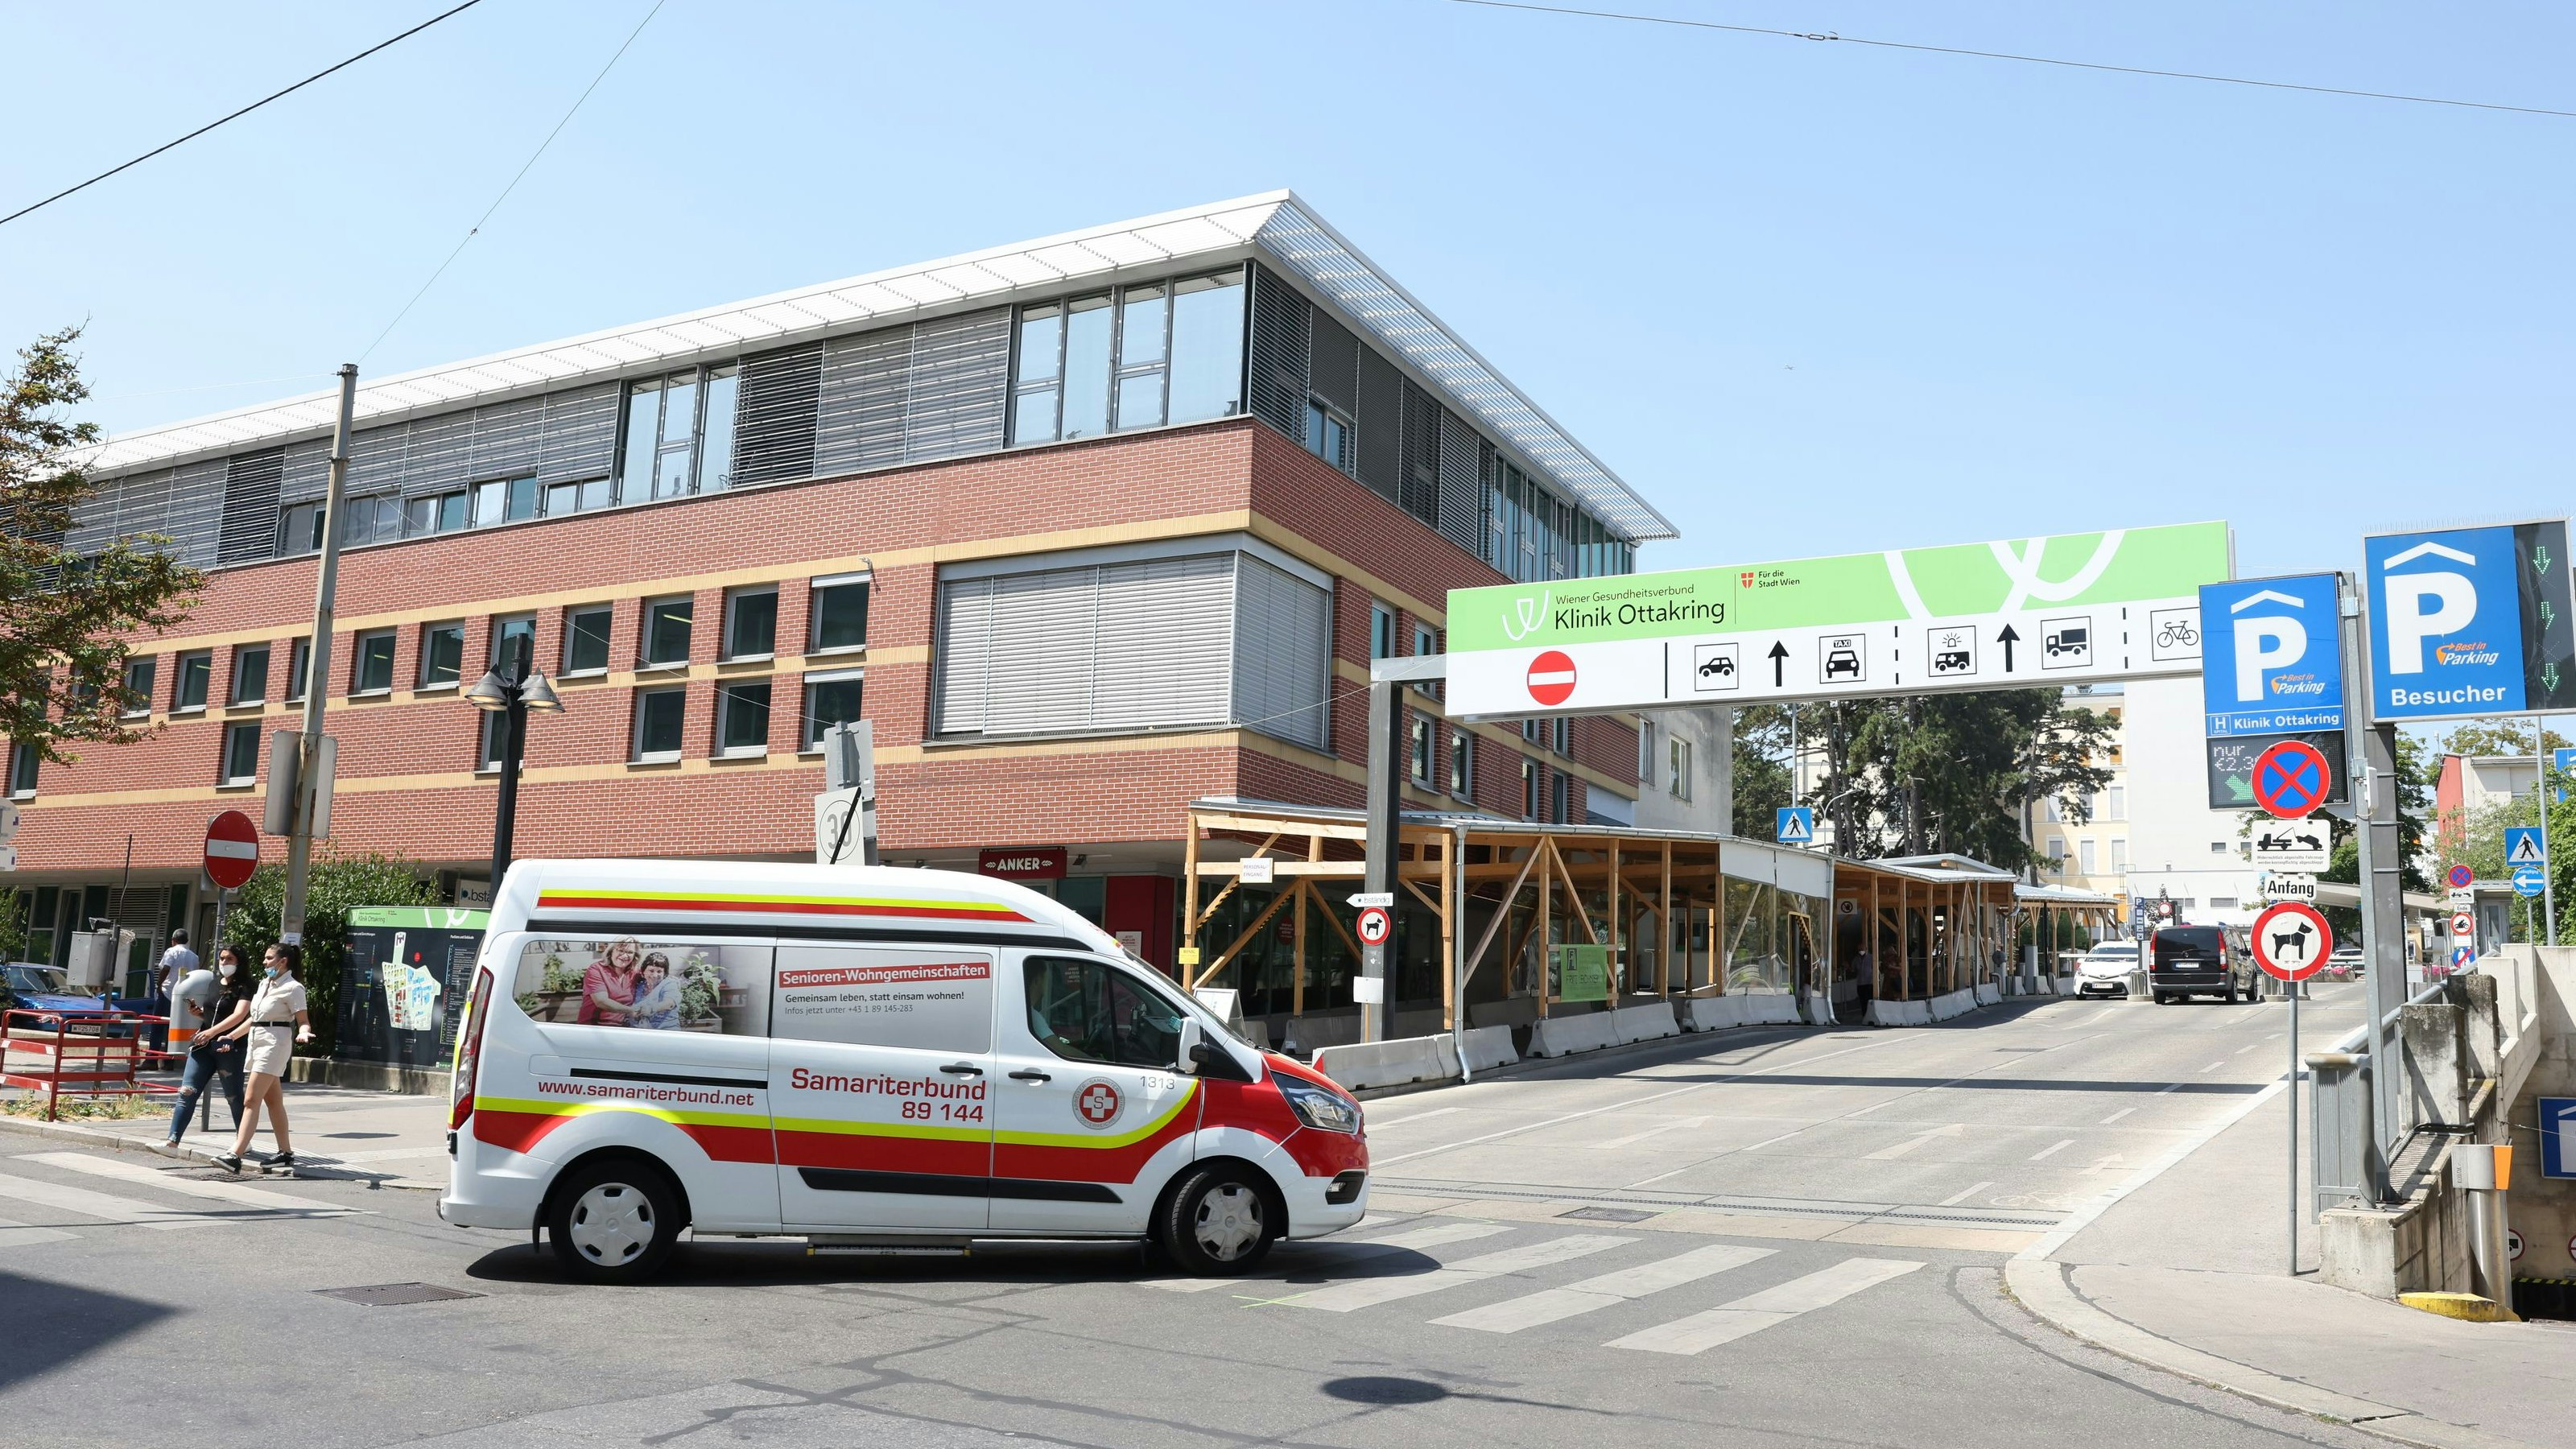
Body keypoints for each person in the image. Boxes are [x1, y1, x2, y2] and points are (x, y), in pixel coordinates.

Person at [210, 943, 312, 1174]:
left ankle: (235, 1154)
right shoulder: (266, 984)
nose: (265, 963)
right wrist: (231, 1036)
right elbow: (255, 1018)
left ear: (282, 961)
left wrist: (304, 1032)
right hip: (257, 1043)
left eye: (268, 958)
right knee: (273, 1101)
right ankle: (285, 1154)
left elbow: (303, 1020)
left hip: (275, 1045)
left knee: (250, 1099)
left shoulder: (294, 988)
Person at [164, 946, 250, 1152]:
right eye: (221, 958)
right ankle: (172, 1141)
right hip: (203, 1045)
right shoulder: (214, 983)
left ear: (239, 962)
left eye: (229, 959)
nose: (224, 963)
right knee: (187, 1092)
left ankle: (243, 1142)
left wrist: (212, 1032)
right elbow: (214, 1015)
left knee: (234, 1096)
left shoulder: (247, 986)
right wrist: (199, 1013)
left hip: (229, 1046)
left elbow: (239, 1016)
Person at [577, 937, 642, 1025]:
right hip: (594, 1028)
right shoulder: (596, 970)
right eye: (620, 950)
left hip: (621, 1027)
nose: (624, 956)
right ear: (611, 951)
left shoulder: (635, 973)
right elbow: (601, 1001)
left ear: (635, 956)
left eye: (630, 952)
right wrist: (630, 1011)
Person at [627, 953, 683, 1029]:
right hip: (640, 1032)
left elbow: (669, 1003)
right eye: (651, 970)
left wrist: (652, 1009)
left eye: (659, 971)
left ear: (665, 973)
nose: (655, 975)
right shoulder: (639, 985)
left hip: (665, 1031)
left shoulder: (669, 984)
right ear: (643, 971)